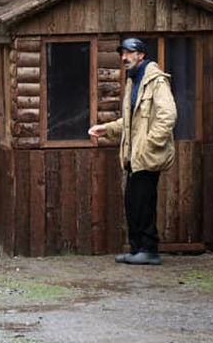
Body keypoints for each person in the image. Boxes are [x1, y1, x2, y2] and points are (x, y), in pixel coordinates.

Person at [88, 38, 177, 265]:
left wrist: (149, 144)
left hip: (147, 156)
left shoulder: (156, 81)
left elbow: (168, 115)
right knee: (133, 202)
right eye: (123, 53)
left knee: (142, 202)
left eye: (129, 53)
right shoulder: (133, 81)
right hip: (134, 157)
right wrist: (106, 129)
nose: (124, 58)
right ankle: (138, 249)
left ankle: (149, 250)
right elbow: (129, 122)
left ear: (141, 55)